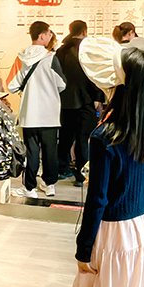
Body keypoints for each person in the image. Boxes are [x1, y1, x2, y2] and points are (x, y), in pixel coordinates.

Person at [61, 43, 144, 287]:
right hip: (142, 228)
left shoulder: (104, 137)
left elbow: (97, 200)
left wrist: (83, 247)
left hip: (114, 232)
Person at [7, 21, 66, 199]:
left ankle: (29, 188)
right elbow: (61, 84)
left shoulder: (21, 58)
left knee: (31, 152)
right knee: (50, 151)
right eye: (48, 33)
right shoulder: (51, 58)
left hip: (29, 113)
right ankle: (49, 185)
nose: (50, 36)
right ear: (41, 36)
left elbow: (12, 85)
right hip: (49, 113)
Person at [55, 20, 103, 186]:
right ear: (84, 31)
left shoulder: (61, 50)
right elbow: (94, 75)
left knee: (65, 137)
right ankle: (81, 175)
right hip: (86, 100)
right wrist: (98, 96)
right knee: (83, 138)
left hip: (65, 100)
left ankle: (62, 169)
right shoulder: (88, 50)